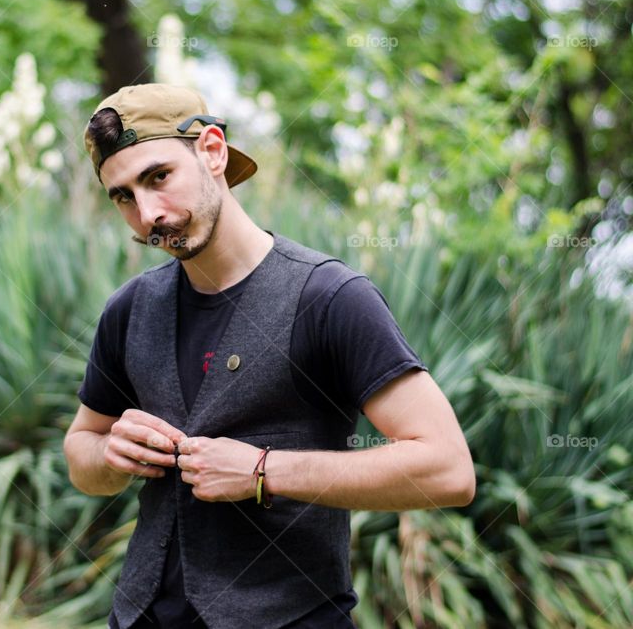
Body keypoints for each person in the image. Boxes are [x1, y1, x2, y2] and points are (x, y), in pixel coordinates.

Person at [63, 83, 475, 629]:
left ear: (211, 150)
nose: (148, 215)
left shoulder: (330, 298)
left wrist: (263, 470)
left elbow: (447, 469)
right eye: (123, 197)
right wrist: (109, 457)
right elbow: (80, 450)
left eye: (158, 177)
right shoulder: (130, 309)